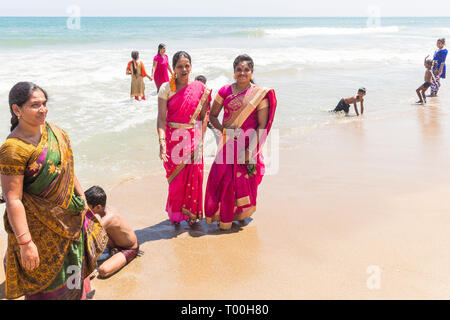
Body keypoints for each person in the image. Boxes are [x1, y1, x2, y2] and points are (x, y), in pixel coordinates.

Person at [0, 82, 107, 300]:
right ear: (16, 109)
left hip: (70, 221)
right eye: (35, 105)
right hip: (39, 232)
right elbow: (13, 200)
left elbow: (68, 168)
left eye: (44, 104)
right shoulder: (13, 149)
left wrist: (81, 199)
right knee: (46, 288)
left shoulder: (54, 132)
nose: (43, 109)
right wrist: (26, 243)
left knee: (74, 273)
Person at [204, 54, 277, 230]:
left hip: (248, 145)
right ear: (234, 72)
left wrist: (249, 151)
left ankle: (239, 213)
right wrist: (223, 130)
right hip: (227, 143)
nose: (242, 73)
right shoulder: (224, 91)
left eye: (246, 70)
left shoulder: (259, 95)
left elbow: (261, 125)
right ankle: (223, 215)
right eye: (239, 70)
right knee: (219, 178)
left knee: (244, 181)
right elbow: (212, 115)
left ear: (252, 72)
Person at [157, 51, 211, 227]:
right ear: (173, 68)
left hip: (193, 140)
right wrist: (162, 143)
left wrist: (200, 141)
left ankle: (192, 216)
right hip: (174, 141)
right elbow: (161, 118)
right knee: (176, 182)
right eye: (180, 66)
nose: (184, 69)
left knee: (195, 178)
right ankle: (176, 216)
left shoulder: (199, 89)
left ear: (191, 67)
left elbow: (204, 118)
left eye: (187, 65)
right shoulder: (167, 88)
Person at [84, 186, 139, 279]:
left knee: (103, 271)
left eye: (87, 207)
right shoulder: (105, 209)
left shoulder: (108, 218)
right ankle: (112, 250)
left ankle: (117, 254)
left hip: (129, 248)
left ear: (98, 207)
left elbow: (89, 234)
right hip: (114, 244)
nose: (86, 209)